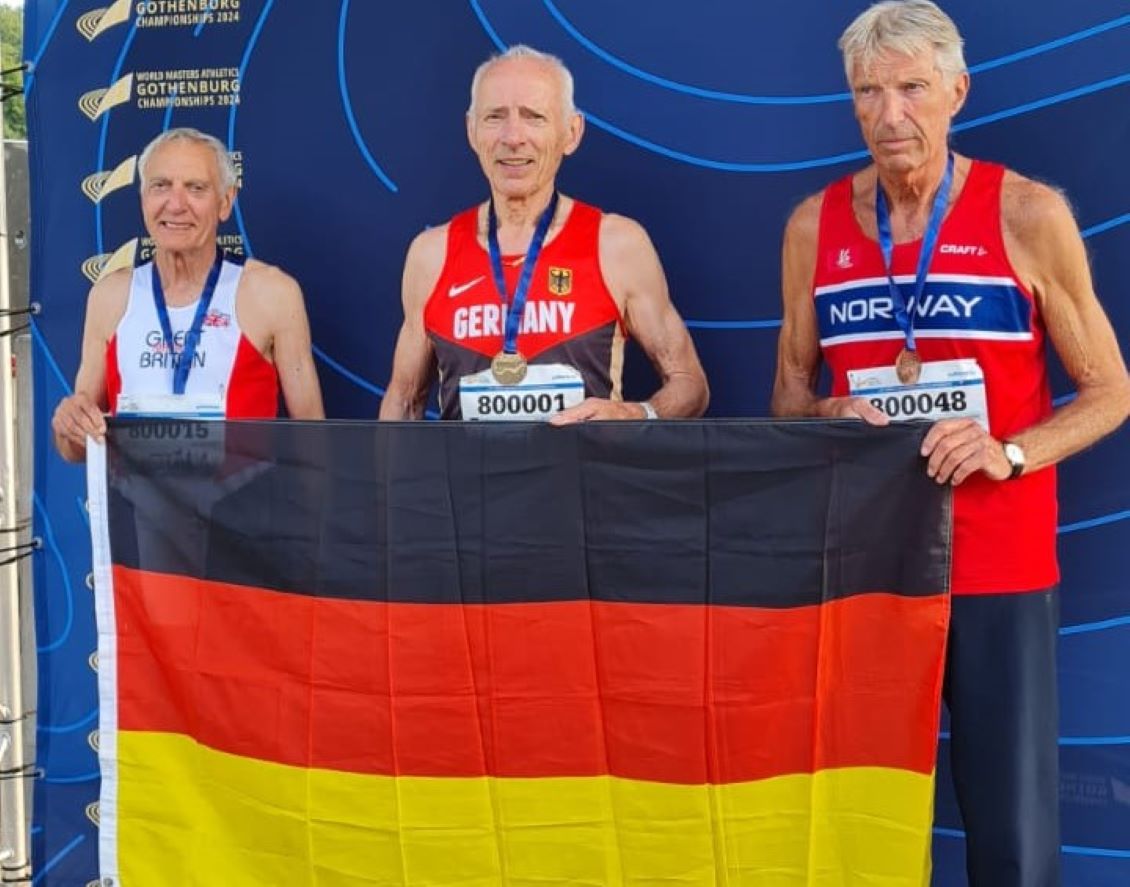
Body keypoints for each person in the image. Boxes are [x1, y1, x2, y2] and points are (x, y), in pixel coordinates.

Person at [771, 2, 1130, 885]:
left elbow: (1111, 391)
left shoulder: (1027, 213)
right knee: (861, 829)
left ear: (956, 91)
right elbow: (787, 395)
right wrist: (829, 418)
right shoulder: (814, 225)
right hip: (867, 569)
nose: (892, 115)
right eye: (869, 92)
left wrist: (1008, 452)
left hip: (997, 567)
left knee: (1010, 832)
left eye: (912, 89)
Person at [379, 45, 708, 423]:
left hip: (584, 480)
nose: (512, 137)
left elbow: (690, 385)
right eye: (494, 117)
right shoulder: (430, 253)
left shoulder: (617, 245)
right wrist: (392, 483)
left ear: (571, 133)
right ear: (471, 131)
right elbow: (403, 401)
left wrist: (637, 413)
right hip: (467, 482)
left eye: (533, 117)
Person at [52, 127, 324, 461]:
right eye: (160, 186)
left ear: (225, 202)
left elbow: (314, 444)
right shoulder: (110, 296)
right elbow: (75, 450)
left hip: (242, 509)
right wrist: (69, 426)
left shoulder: (272, 293)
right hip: (137, 512)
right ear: (143, 199)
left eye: (195, 188)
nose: (176, 205)